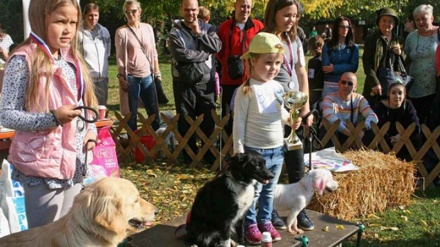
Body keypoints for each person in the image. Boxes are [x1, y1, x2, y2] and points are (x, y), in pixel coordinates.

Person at [0, 0, 98, 228]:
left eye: (73, 22)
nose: (68, 29)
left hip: (73, 161)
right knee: (44, 236)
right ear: (40, 19)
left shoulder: (71, 58)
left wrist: (90, 131)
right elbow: (6, 115)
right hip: (41, 166)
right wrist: (52, 118)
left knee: (66, 232)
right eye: (60, 21)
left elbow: (83, 103)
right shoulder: (23, 61)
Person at [233, 32, 299, 244]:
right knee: (253, 191)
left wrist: (291, 121)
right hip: (254, 152)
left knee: (269, 190)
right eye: (268, 62)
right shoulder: (246, 90)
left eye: (278, 63)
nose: (274, 68)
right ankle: (250, 223)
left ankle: (265, 220)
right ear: (253, 61)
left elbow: (280, 113)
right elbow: (239, 123)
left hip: (277, 149)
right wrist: (239, 151)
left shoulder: (278, 87)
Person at [263, 0, 314, 233]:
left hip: (294, 109)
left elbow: (302, 72)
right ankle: (269, 208)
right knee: (272, 162)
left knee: (296, 160)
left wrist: (306, 106)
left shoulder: (295, 40)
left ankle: (298, 207)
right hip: (273, 110)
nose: (291, 20)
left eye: (294, 16)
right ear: (274, 14)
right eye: (286, 15)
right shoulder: (265, 38)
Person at [169, 0, 221, 163]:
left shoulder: (209, 28)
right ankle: (189, 156)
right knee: (185, 120)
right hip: (183, 82)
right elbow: (180, 54)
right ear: (181, 10)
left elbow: (216, 47)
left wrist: (199, 33)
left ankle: (208, 155)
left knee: (208, 120)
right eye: (187, 10)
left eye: (193, 10)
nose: (190, 13)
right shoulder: (174, 32)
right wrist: (203, 55)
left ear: (198, 10)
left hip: (206, 83)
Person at [216, 0, 264, 135]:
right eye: (242, 6)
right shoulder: (224, 27)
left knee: (251, 112)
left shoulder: (258, 26)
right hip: (229, 79)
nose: (245, 10)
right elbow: (219, 52)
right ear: (235, 6)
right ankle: (228, 145)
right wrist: (228, 64)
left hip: (251, 79)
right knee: (227, 115)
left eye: (248, 7)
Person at [115, 0, 161, 132]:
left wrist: (157, 73)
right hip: (131, 77)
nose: (130, 14)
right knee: (131, 114)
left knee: (153, 111)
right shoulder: (121, 32)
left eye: (133, 11)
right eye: (127, 12)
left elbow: (153, 52)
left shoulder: (148, 28)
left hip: (148, 75)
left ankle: (156, 141)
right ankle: (133, 145)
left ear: (139, 11)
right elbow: (119, 57)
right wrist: (121, 77)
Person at [403, 4, 440, 124]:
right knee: (415, 119)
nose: (421, 22)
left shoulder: (439, 34)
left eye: (424, 18)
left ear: (432, 18)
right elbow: (405, 58)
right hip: (414, 85)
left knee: (432, 120)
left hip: (435, 86)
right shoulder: (411, 37)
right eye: (417, 19)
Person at [321, 72, 378, 147]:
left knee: (371, 130)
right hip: (338, 132)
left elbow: (373, 117)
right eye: (343, 82)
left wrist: (362, 129)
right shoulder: (329, 98)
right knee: (328, 128)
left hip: (354, 132)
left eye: (350, 83)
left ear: (355, 87)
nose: (346, 85)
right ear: (339, 84)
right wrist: (351, 135)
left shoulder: (359, 99)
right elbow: (330, 118)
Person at [362, 7, 403, 107]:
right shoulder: (371, 39)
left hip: (392, 82)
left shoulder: (399, 40)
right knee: (372, 112)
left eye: (390, 21)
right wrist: (374, 83)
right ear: (379, 23)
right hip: (375, 82)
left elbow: (404, 63)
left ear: (394, 24)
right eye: (384, 21)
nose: (387, 24)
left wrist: (400, 53)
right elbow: (366, 62)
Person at [373, 82, 420, 161]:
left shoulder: (408, 105)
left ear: (405, 95)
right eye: (393, 93)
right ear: (389, 94)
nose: (397, 96)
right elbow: (375, 126)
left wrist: (401, 136)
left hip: (404, 141)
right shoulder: (380, 106)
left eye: (400, 93)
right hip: (384, 141)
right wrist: (390, 139)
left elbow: (415, 125)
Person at [78, 3, 111, 106]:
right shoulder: (78, 33)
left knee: (101, 110)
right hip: (87, 80)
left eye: (96, 15)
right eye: (90, 15)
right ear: (84, 15)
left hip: (102, 80)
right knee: (88, 111)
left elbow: (107, 53)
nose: (93, 18)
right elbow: (75, 56)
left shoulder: (104, 31)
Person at [321, 16, 359, 98]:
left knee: (345, 110)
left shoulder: (353, 47)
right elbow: (326, 68)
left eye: (347, 27)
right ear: (336, 28)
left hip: (347, 85)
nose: (345, 29)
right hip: (330, 84)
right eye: (342, 26)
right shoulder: (327, 47)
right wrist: (346, 66)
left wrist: (334, 68)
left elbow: (353, 67)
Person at [307, 35, 325, 108]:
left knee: (312, 111)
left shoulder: (312, 62)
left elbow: (311, 77)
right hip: (325, 89)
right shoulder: (326, 60)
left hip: (314, 91)